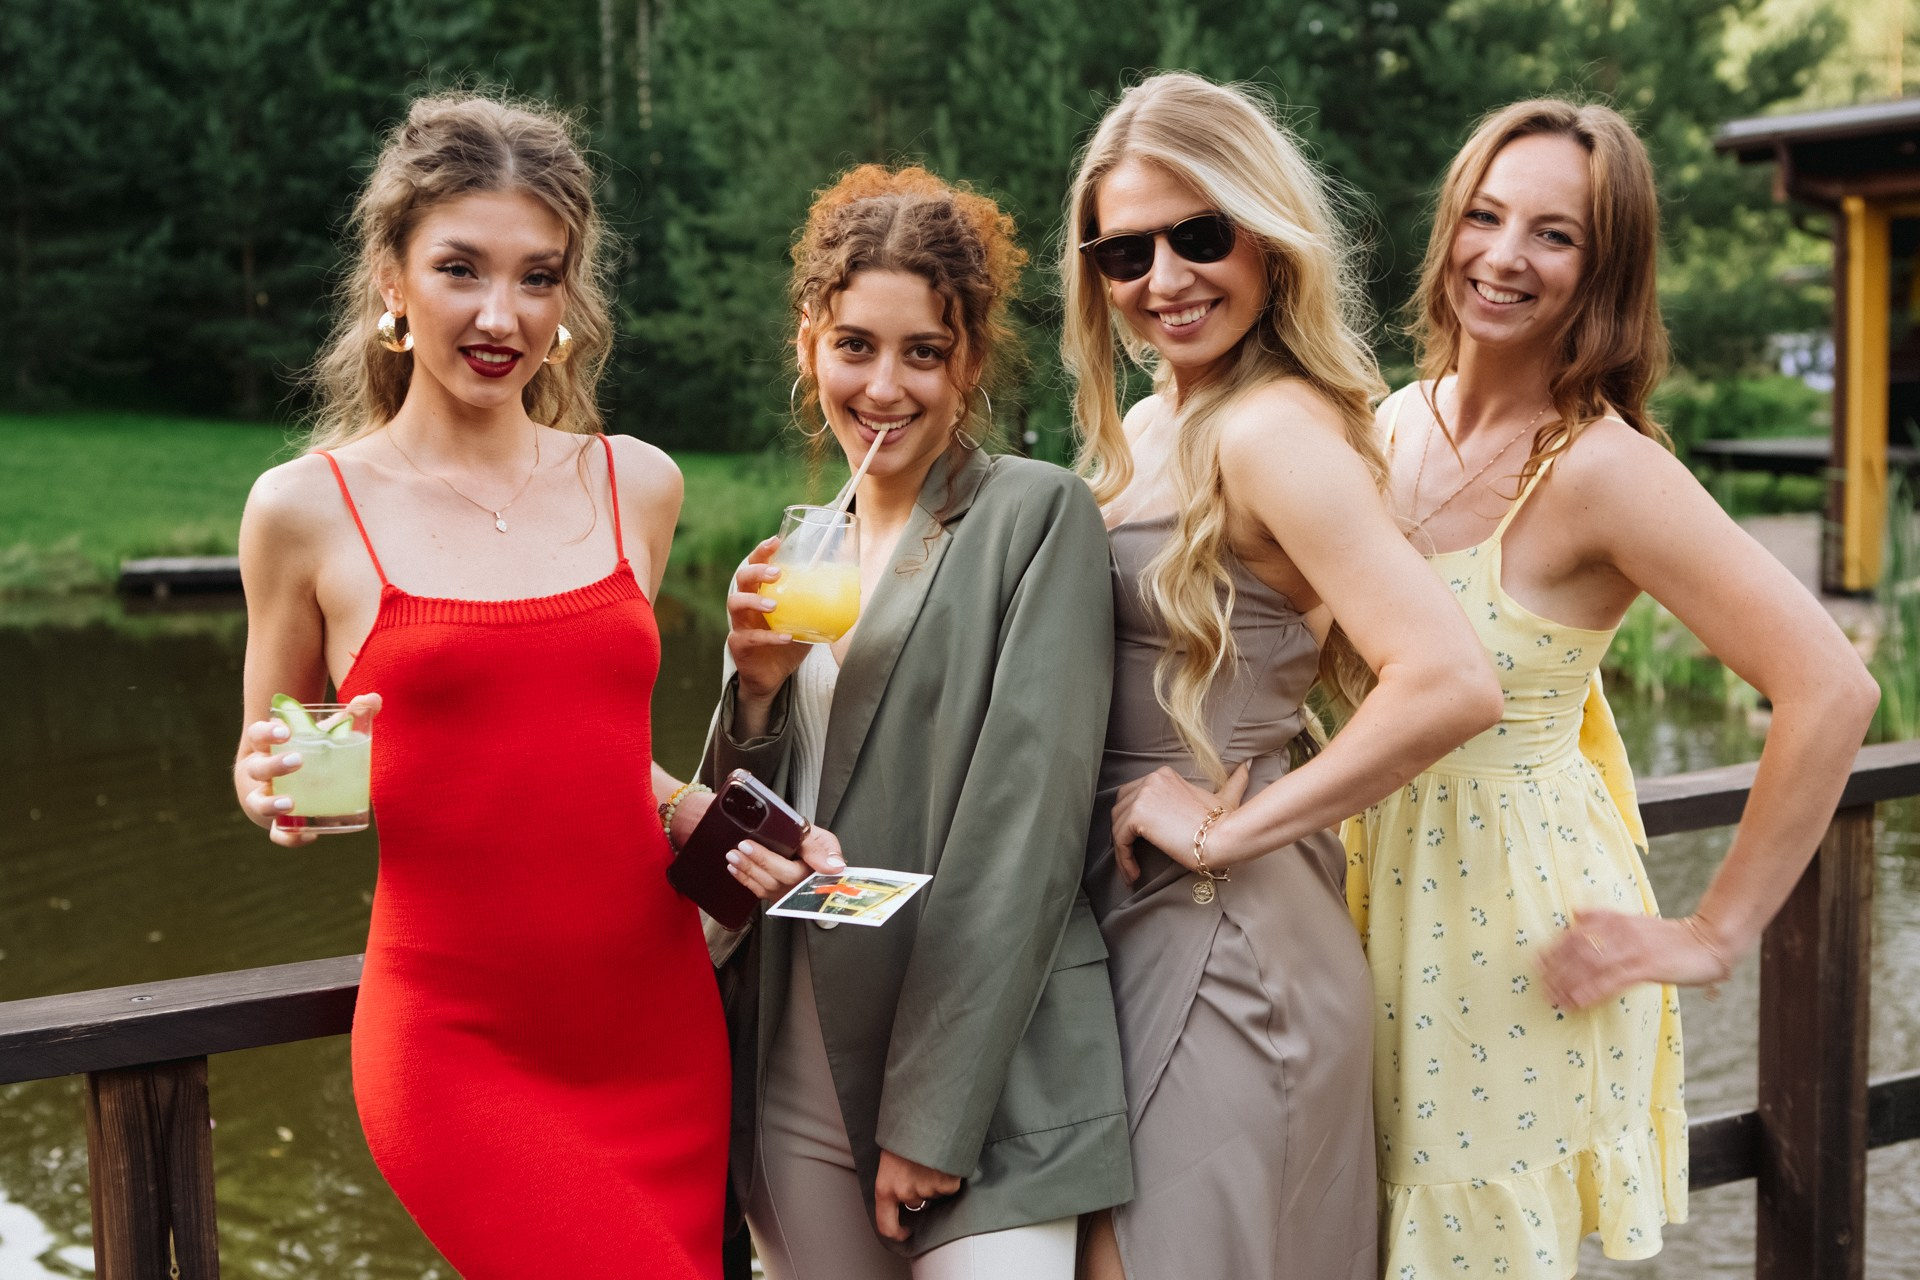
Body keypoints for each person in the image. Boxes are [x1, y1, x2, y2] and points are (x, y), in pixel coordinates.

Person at [230, 94, 785, 1280]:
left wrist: (694, 804)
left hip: (656, 1023)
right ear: (392, 279)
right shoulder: (305, 508)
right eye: (461, 269)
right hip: (455, 1046)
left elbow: (579, 743)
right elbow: (270, 750)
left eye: (538, 276)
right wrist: (278, 781)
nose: (501, 315)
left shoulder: (636, 483)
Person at [1345, 99, 1880, 1277]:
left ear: (1606, 269)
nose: (1503, 255)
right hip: (1361, 906)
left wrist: (1710, 932)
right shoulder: (1387, 424)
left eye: (1555, 234)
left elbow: (1833, 687)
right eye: (1485, 216)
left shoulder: (1603, 470)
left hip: (1508, 935)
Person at [1059, 72, 1505, 1280]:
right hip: (1131, 921)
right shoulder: (1156, 421)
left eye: (1199, 235)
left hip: (1227, 938)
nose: (1164, 278)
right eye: (1125, 252)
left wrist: (1226, 830)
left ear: (1266, 233)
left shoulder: (1270, 430)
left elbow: (1449, 679)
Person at [702, 164, 1132, 1280]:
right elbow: (737, 830)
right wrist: (754, 689)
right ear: (810, 344)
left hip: (988, 1075)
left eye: (924, 352)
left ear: (970, 361)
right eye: (854, 345)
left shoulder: (1034, 515)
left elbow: (1022, 835)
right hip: (796, 1056)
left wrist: (932, 1119)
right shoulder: (801, 546)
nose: (884, 386)